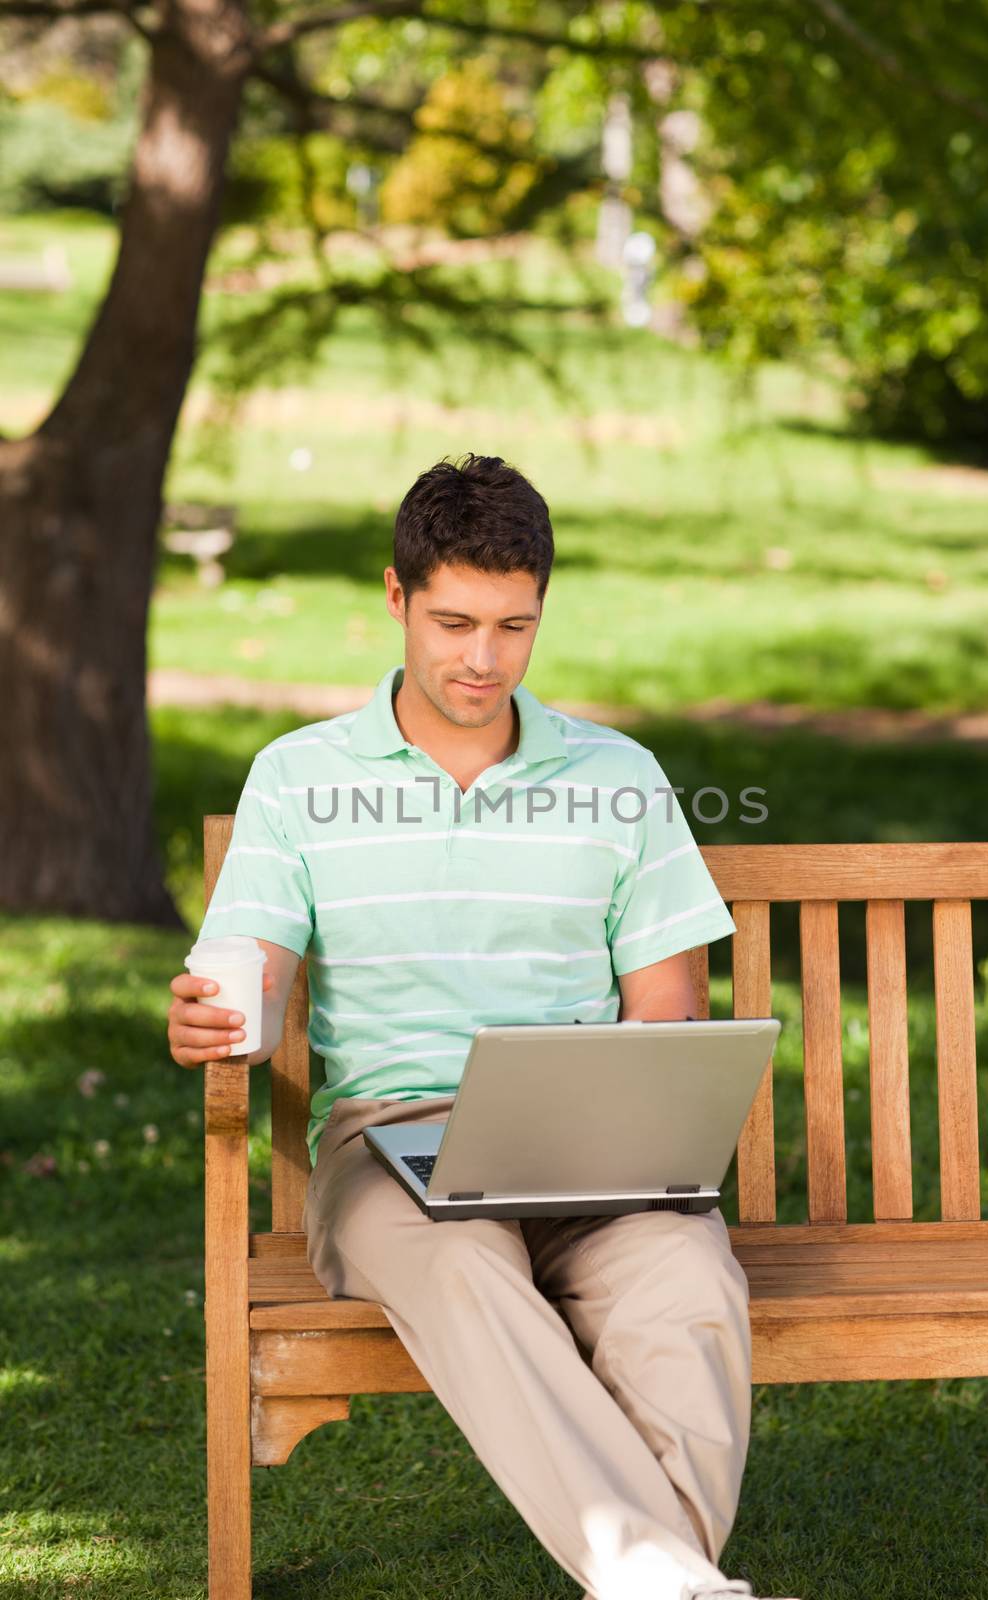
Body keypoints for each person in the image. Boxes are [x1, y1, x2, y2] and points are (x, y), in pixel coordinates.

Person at [168, 453, 797, 1600]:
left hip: (588, 1147)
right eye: (453, 620)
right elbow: (246, 974)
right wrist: (217, 1021)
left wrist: (637, 1123)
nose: (481, 658)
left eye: (514, 626)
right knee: (464, 1266)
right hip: (389, 1146)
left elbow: (667, 1007)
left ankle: (659, 1588)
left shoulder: (617, 775)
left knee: (684, 1283)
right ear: (396, 599)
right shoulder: (300, 778)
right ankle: (674, 1584)